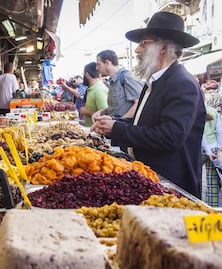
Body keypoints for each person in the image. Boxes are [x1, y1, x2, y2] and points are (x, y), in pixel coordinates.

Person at [91, 11, 206, 198]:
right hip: (151, 181)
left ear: (163, 47)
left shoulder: (182, 83)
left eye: (144, 43)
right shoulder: (155, 82)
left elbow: (169, 137)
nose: (137, 50)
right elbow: (145, 124)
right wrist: (112, 122)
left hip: (172, 187)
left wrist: (117, 129)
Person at [94, 49, 143, 119]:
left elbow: (139, 104)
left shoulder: (127, 76)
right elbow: (117, 107)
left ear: (107, 63)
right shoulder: (112, 81)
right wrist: (101, 112)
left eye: (98, 64)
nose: (96, 68)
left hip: (125, 127)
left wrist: (118, 122)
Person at [201, 97, 222, 207]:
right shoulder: (213, 111)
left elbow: (202, 135)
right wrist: (219, 149)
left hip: (201, 150)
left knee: (196, 176)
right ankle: (213, 208)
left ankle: (197, 201)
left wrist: (208, 151)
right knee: (212, 181)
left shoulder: (198, 111)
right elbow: (219, 131)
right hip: (214, 148)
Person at [79, 62, 108, 127]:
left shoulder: (99, 89)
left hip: (97, 131)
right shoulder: (92, 88)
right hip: (91, 129)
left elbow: (105, 115)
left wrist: (86, 112)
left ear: (87, 74)